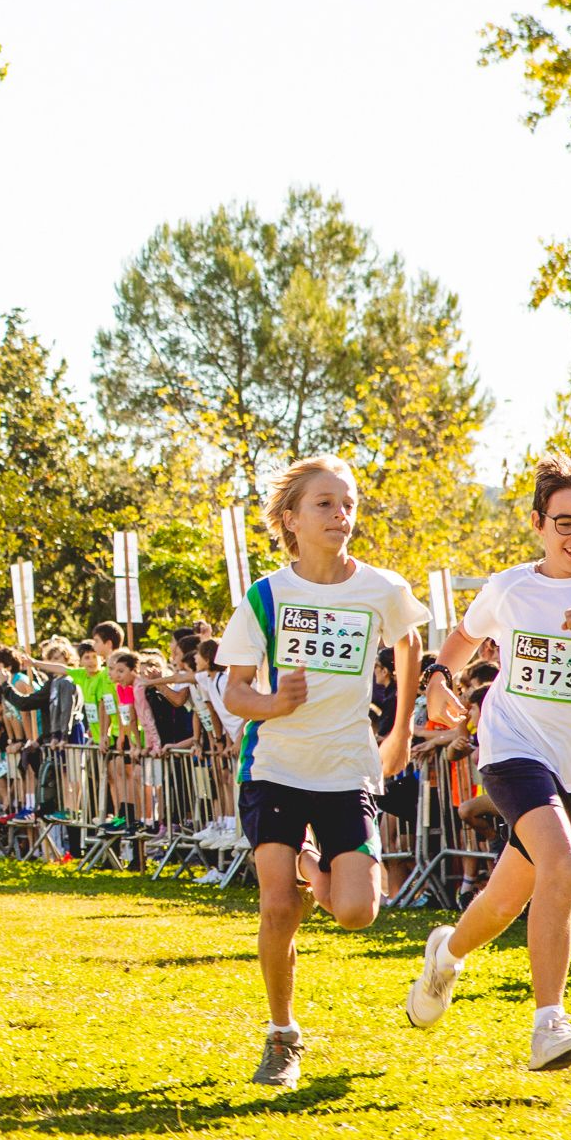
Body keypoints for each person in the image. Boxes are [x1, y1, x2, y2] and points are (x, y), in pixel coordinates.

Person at [406, 453, 571, 1071]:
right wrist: (439, 678)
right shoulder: (511, 587)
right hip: (510, 745)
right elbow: (465, 636)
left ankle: (444, 957)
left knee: (505, 899)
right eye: (567, 523)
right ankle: (550, 1024)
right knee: (565, 866)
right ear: (538, 523)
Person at [213, 456, 427, 1088]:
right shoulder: (267, 596)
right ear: (291, 519)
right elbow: (235, 691)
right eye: (325, 504)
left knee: (357, 910)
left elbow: (410, 644)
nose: (341, 515)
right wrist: (274, 704)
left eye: (348, 503)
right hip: (275, 763)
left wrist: (401, 729)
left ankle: (310, 860)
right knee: (277, 904)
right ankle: (282, 1037)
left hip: (347, 766)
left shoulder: (382, 589)